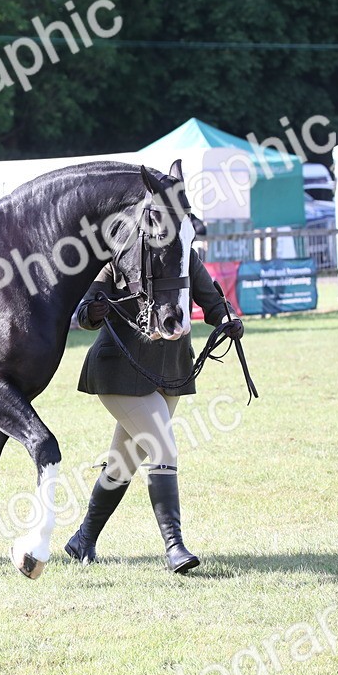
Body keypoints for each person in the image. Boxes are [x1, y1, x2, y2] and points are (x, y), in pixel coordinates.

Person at [65, 227, 243, 573]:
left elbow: (212, 301)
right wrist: (95, 311)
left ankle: (82, 539)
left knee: (123, 463)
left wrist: (228, 320)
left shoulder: (185, 258)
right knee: (163, 447)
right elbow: (85, 311)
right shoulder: (117, 257)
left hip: (169, 372)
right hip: (118, 370)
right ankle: (174, 547)